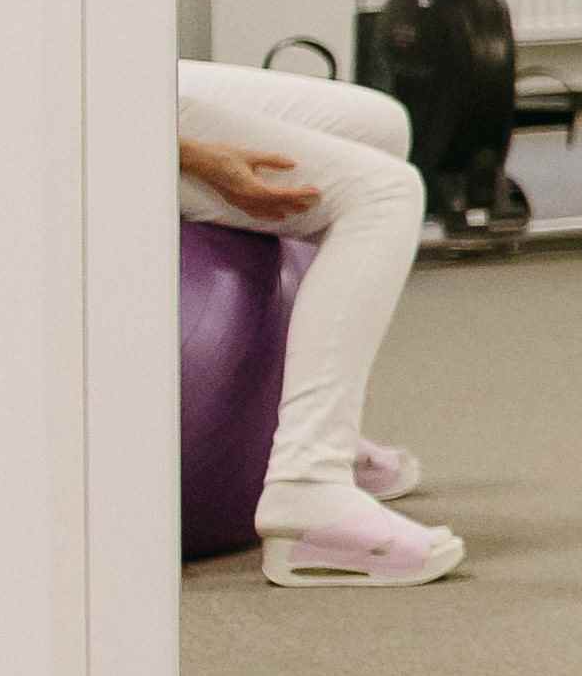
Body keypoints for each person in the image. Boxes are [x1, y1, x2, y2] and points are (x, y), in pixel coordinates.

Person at [176, 61, 453, 584]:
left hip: (114, 75)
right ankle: (308, 483)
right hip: (65, 111)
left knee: (382, 127)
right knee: (383, 193)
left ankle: (317, 427)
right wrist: (188, 153)